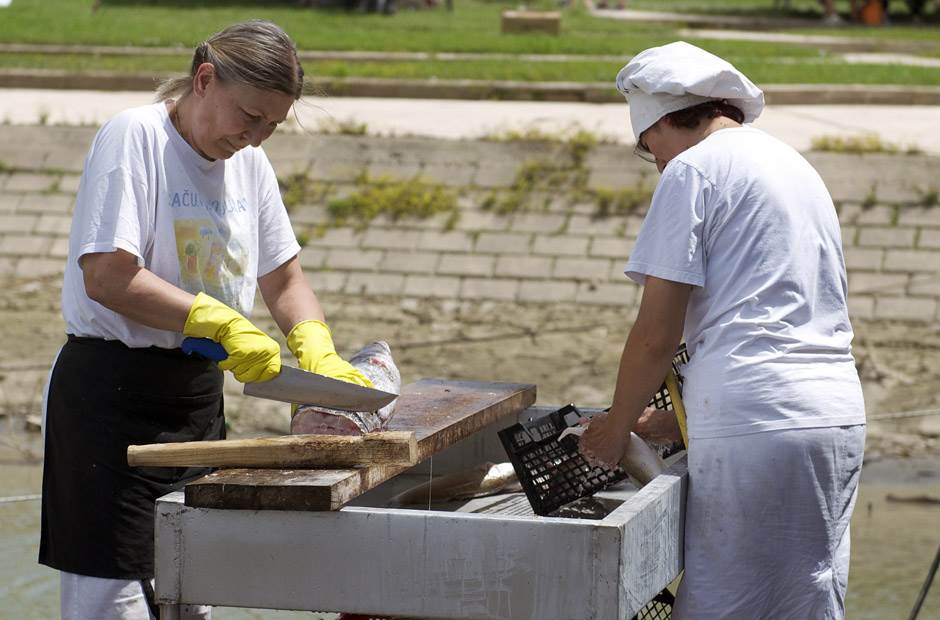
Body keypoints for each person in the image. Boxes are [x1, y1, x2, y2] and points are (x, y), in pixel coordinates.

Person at [39, 20, 371, 620]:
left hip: (196, 399)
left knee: (194, 592)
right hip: (110, 398)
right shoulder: (134, 137)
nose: (257, 136)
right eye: (249, 116)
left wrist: (316, 346)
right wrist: (216, 321)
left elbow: (285, 279)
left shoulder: (248, 162)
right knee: (111, 600)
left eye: (272, 125)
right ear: (204, 79)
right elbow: (108, 275)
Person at [578, 41, 866, 619]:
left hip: (754, 424)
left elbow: (656, 335)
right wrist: (662, 422)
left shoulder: (693, 170)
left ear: (663, 119)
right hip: (831, 415)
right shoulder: (793, 163)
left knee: (723, 601)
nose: (653, 158)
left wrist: (612, 430)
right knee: (804, 598)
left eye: (647, 142)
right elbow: (771, 315)